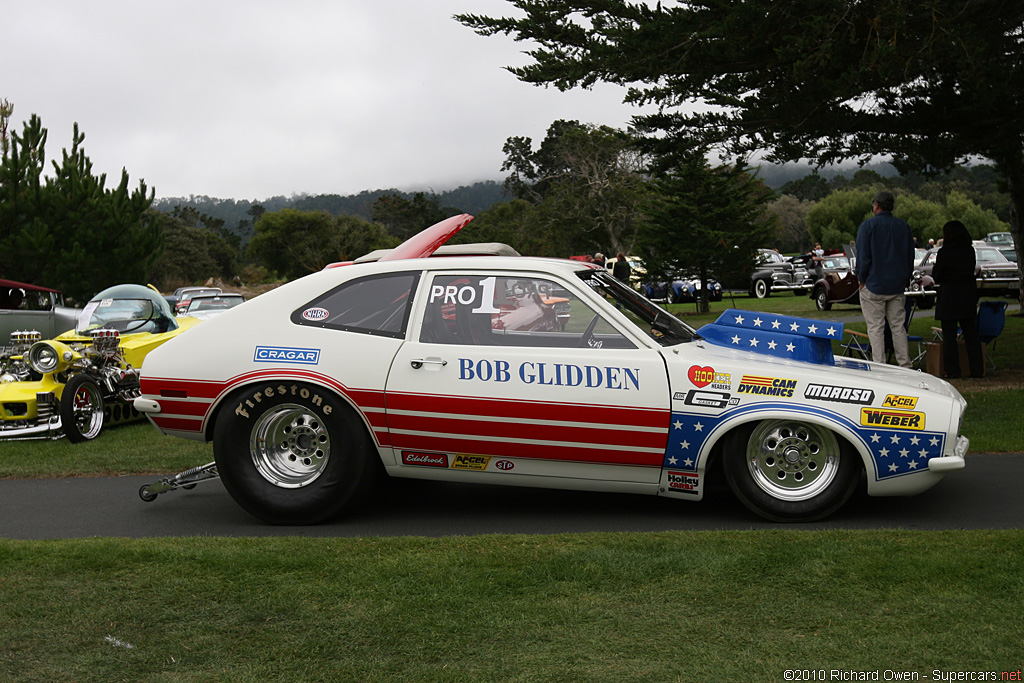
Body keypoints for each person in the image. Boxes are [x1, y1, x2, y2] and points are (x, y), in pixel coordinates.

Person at [854, 191, 916, 368]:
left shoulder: (868, 226)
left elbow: (863, 256)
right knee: (898, 327)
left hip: (873, 284)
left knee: (875, 327)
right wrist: (906, 277)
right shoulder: (903, 227)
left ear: (876, 205)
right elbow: (909, 256)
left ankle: (879, 365)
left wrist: (861, 278)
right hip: (896, 285)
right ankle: (904, 364)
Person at [932, 220, 984, 378]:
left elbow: (937, 275)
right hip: (967, 295)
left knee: (949, 337)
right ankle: (976, 369)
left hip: (949, 296)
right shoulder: (969, 251)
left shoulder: (944, 252)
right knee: (971, 335)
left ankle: (953, 370)